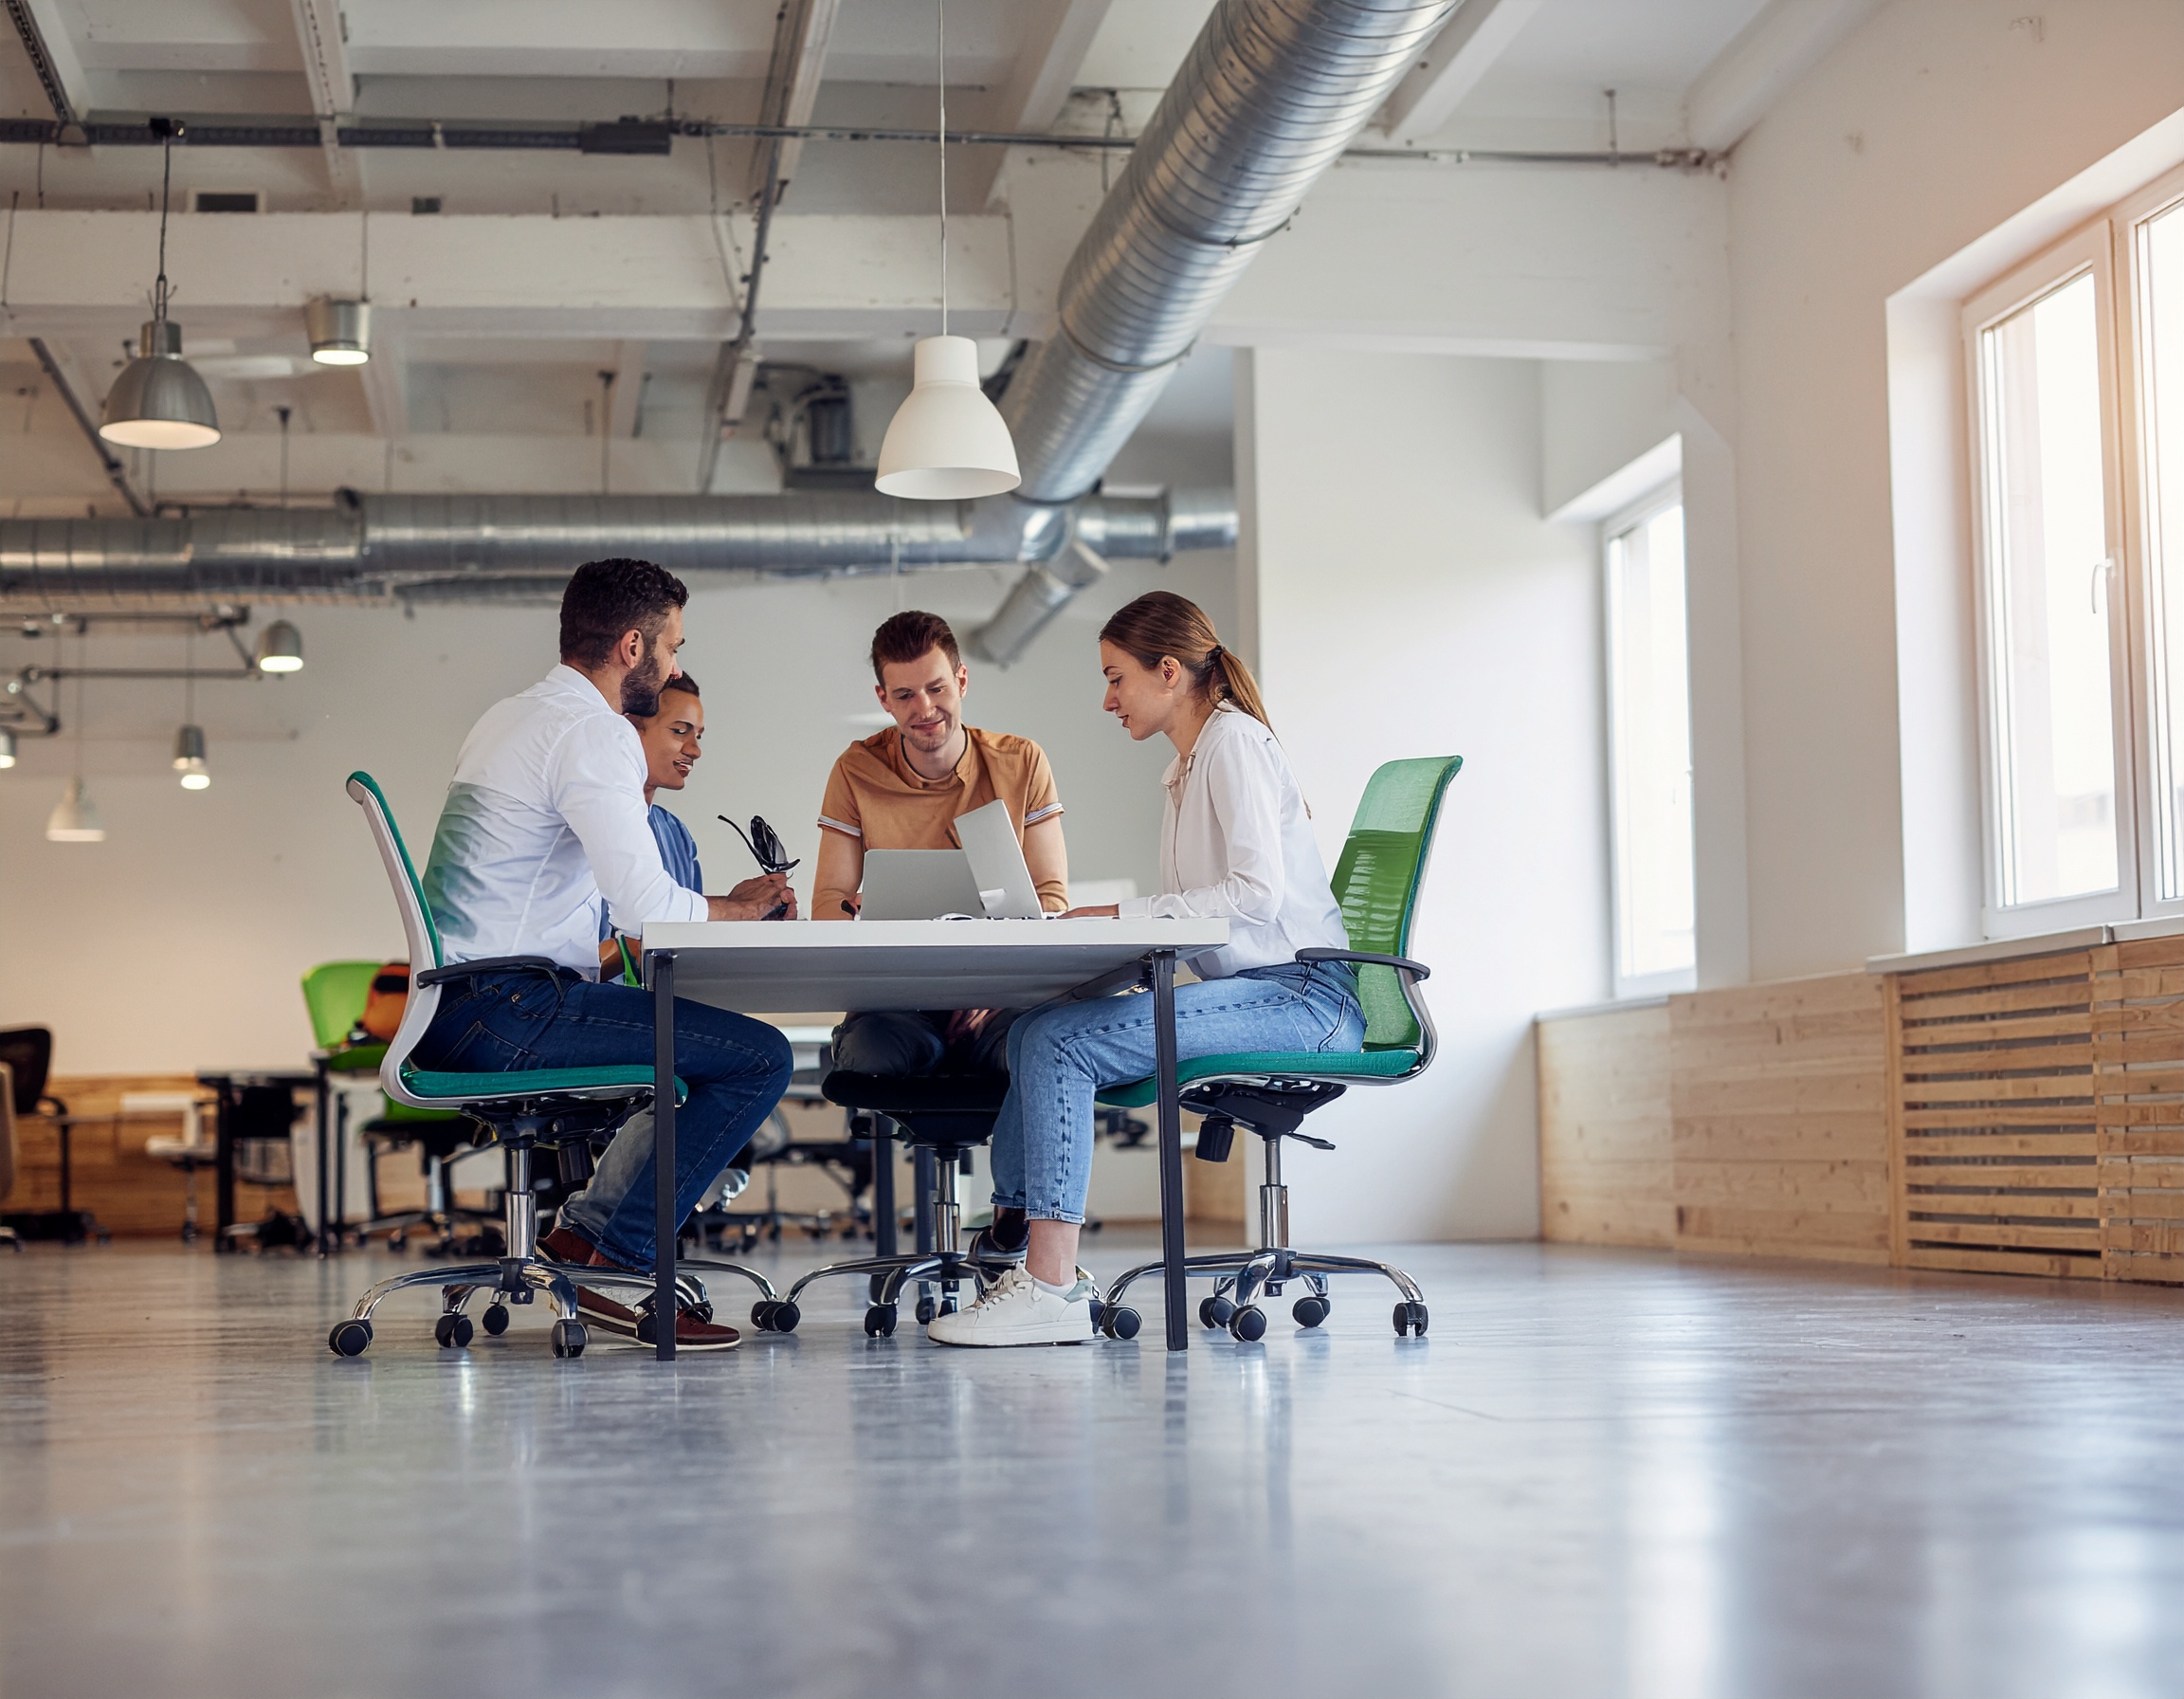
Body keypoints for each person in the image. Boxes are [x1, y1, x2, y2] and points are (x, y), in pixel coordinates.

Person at [927, 591, 1367, 1346]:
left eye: (1115, 677)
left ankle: (1050, 1285)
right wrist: (1088, 960)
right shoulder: (1187, 768)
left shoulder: (1231, 744)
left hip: (1303, 999)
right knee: (1039, 1026)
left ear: (1169, 672)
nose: (1107, 699)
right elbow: (1192, 916)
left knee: (1062, 1043)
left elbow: (1254, 899)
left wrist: (1121, 916)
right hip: (1258, 989)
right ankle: (1017, 1244)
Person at [415, 559, 797, 1351]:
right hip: (510, 1009)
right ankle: (612, 1258)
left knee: (706, 1045)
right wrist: (742, 907)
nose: (679, 665)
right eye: (674, 646)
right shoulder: (594, 733)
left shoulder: (509, 717)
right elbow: (646, 910)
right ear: (633, 647)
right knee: (758, 1055)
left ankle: (585, 1244)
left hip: (455, 1008)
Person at [813, 610, 1069, 1077]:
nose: (925, 709)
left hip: (998, 995)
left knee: (1035, 1048)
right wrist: (863, 913)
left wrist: (994, 990)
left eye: (937, 689)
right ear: (883, 699)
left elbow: (1049, 899)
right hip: (897, 998)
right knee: (872, 1049)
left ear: (962, 680)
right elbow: (829, 903)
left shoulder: (1022, 762)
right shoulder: (855, 770)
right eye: (905, 695)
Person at [599, 670, 706, 981]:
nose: (695, 750)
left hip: (658, 1010)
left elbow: (685, 943)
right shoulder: (588, 822)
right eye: (679, 731)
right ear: (631, 730)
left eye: (697, 735)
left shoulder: (675, 834)